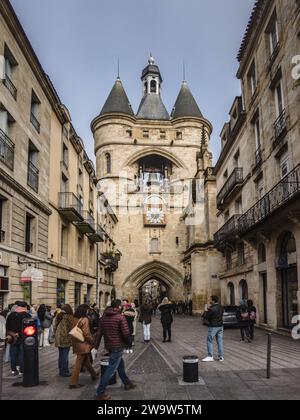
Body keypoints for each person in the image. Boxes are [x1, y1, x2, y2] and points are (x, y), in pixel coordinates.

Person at [94, 299, 136, 400]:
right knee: (111, 369)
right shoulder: (120, 317)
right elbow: (126, 333)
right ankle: (100, 391)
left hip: (109, 346)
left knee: (120, 364)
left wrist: (95, 346)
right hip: (118, 346)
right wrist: (129, 342)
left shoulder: (103, 318)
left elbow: (99, 333)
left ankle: (127, 383)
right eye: (121, 306)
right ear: (118, 307)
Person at [69, 304, 98, 389]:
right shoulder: (84, 319)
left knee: (86, 361)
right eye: (88, 310)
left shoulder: (74, 318)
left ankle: (94, 374)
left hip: (76, 342)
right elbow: (86, 333)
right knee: (79, 362)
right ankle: (73, 382)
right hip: (83, 343)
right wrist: (92, 341)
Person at [5, 301, 31, 376]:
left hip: (12, 338)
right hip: (23, 337)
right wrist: (19, 333)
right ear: (25, 307)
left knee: (13, 354)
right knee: (22, 354)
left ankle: (13, 370)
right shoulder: (27, 315)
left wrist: (11, 334)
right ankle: (21, 370)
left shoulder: (11, 315)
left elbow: (7, 326)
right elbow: (28, 327)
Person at [202, 296, 224, 362]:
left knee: (209, 340)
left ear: (213, 301)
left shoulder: (211, 308)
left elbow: (205, 317)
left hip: (213, 326)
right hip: (220, 326)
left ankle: (210, 356)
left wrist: (206, 310)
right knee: (219, 341)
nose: (210, 301)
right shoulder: (221, 307)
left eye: (211, 300)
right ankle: (221, 356)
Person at [54, 304, 74, 377]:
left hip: (58, 338)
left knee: (61, 355)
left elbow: (54, 326)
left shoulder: (59, 315)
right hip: (65, 338)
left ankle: (61, 371)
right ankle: (65, 372)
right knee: (65, 356)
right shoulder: (69, 317)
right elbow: (72, 328)